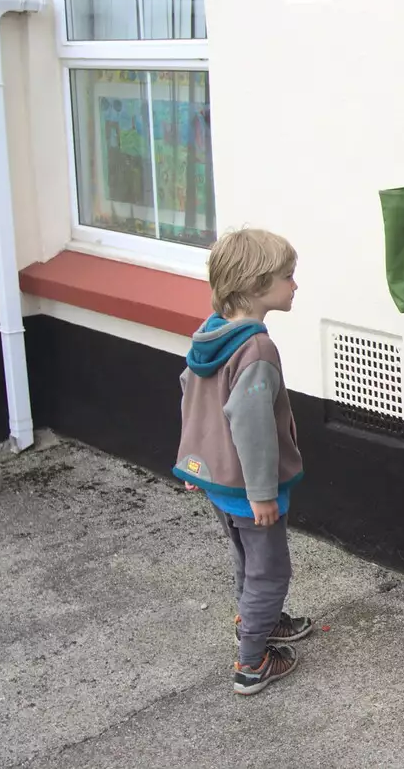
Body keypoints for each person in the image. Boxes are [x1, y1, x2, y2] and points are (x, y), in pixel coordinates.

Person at [172, 228, 312, 695]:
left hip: (216, 478)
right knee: (270, 571)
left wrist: (195, 462)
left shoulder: (210, 333)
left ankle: (261, 620)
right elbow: (252, 429)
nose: (296, 286)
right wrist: (263, 495)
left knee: (245, 559)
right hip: (249, 487)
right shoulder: (256, 349)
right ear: (256, 288)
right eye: (288, 278)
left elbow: (192, 395)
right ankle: (252, 662)